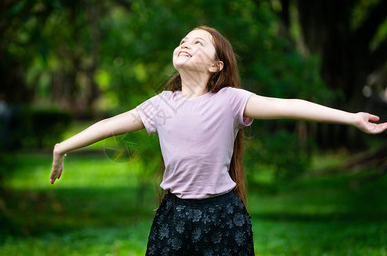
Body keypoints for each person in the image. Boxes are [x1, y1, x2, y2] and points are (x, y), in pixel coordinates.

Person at [50, 26, 387, 255]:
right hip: (173, 216)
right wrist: (62, 147)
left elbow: (292, 106)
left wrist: (351, 118)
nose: (186, 44)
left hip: (223, 217)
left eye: (199, 43)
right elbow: (110, 124)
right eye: (184, 40)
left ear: (216, 65)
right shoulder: (161, 106)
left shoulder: (230, 101)